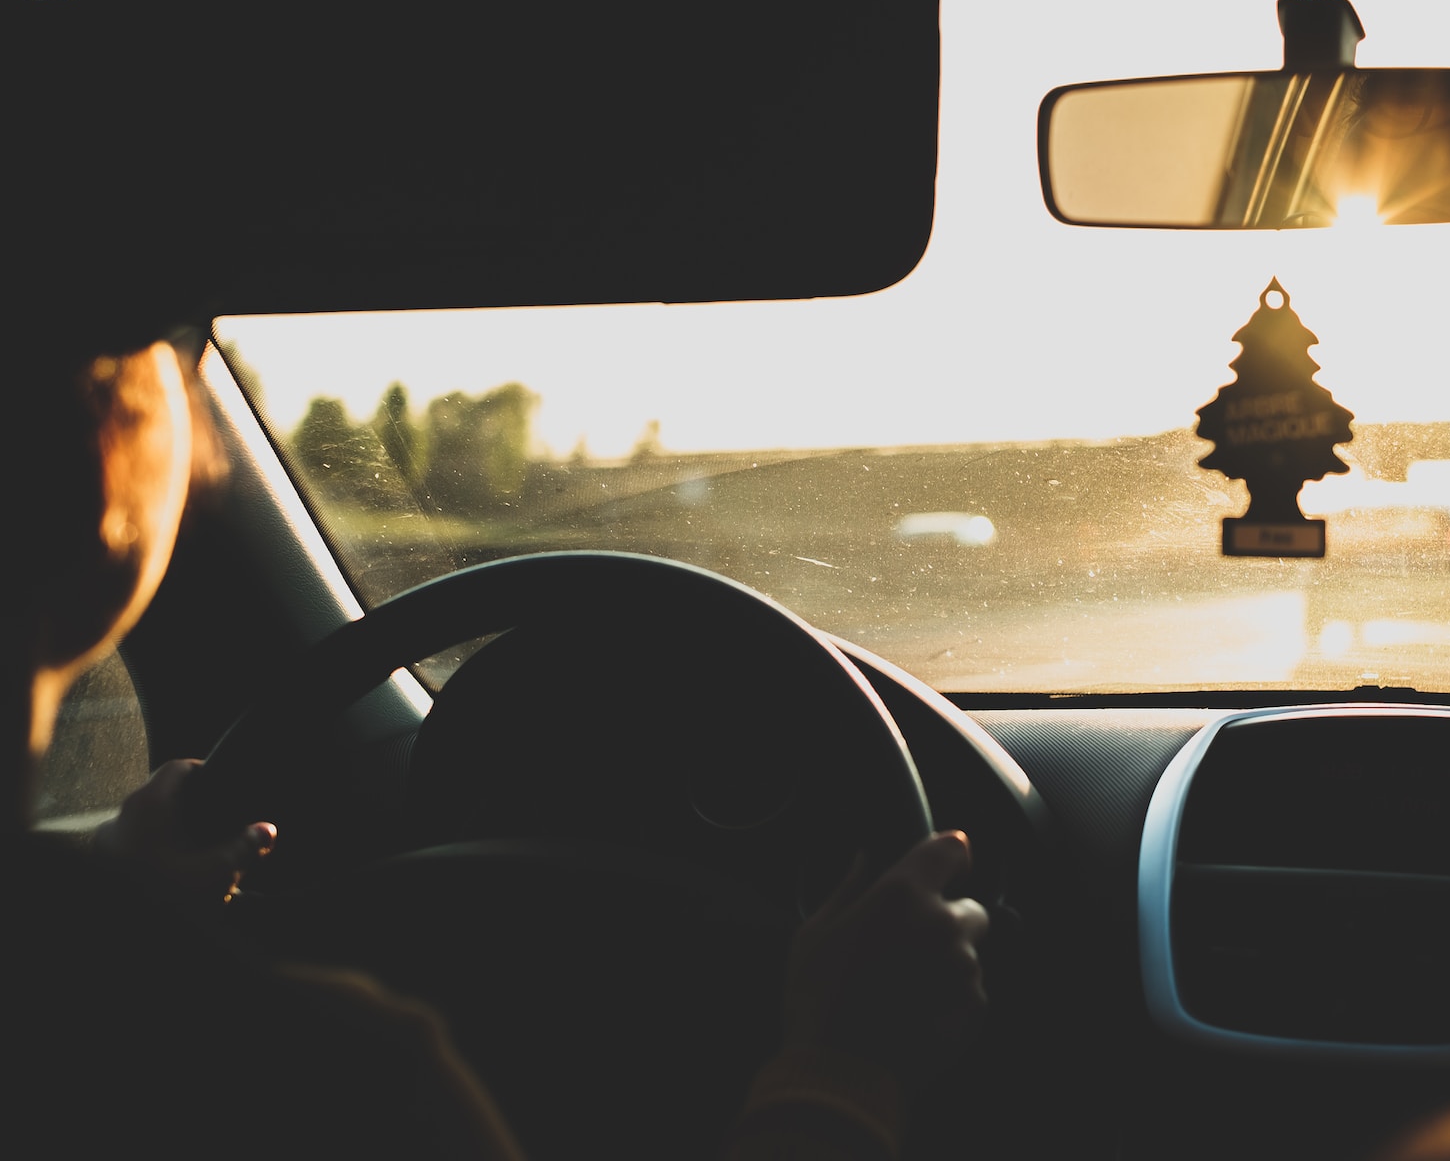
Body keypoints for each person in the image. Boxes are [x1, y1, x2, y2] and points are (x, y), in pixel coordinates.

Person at [2, 322, 988, 1159]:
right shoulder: (332, 1069)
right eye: (163, 340)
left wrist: (127, 897)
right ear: (98, 455)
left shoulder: (72, 1002)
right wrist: (844, 1068)